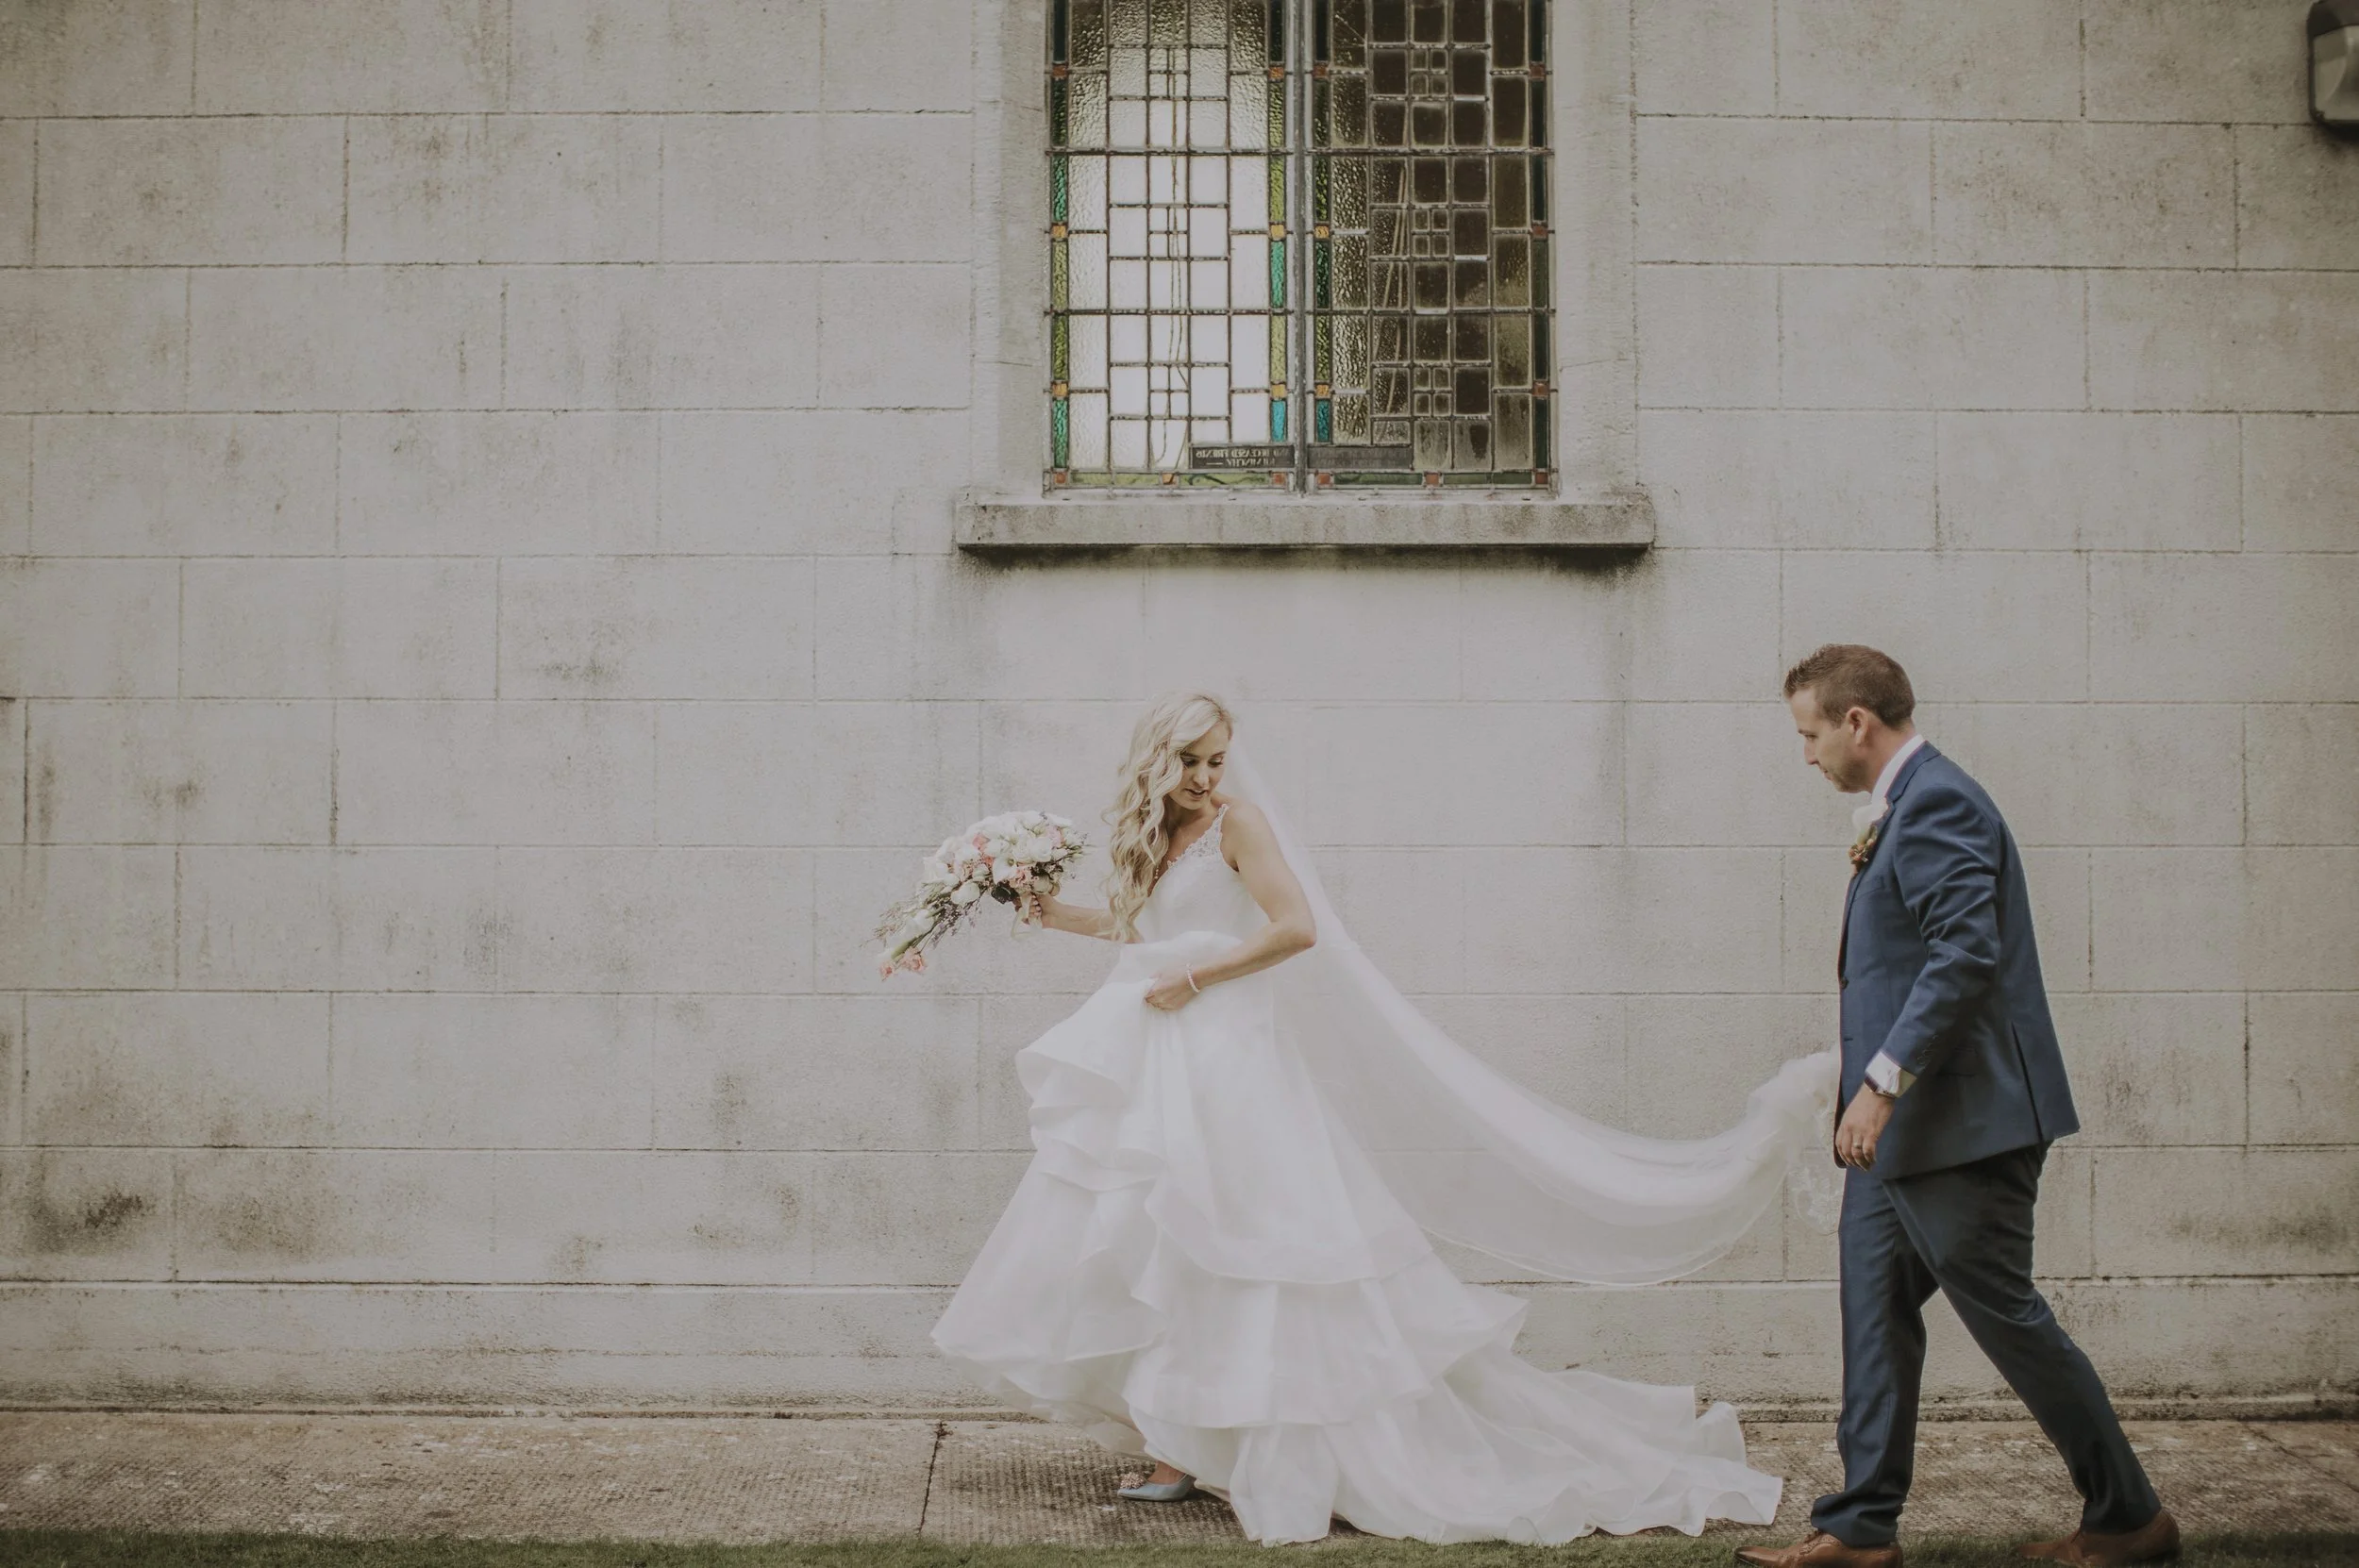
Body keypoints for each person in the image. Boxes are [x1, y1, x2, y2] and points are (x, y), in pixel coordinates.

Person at [930, 691, 1836, 1545]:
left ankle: (1279, 1447)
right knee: (1173, 1243)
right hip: (1165, 1052)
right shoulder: (1155, 832)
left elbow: (1296, 928)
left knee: (1250, 1240)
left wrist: (1198, 978)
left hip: (1230, 1054)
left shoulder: (1240, 824)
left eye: (1216, 760)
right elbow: (1143, 928)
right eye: (1192, 762)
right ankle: (1180, 1448)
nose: (1208, 778)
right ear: (1156, 761)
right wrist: (1050, 914)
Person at [1736, 645, 2174, 1568]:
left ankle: (2127, 1516)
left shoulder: (1938, 801)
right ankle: (1859, 1529)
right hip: (1898, 1143)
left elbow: (1963, 954)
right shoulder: (1906, 808)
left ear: (1856, 722)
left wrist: (1882, 1082)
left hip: (1962, 1131)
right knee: (1873, 1318)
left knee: (2009, 1320)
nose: (1804, 753)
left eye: (1808, 733)